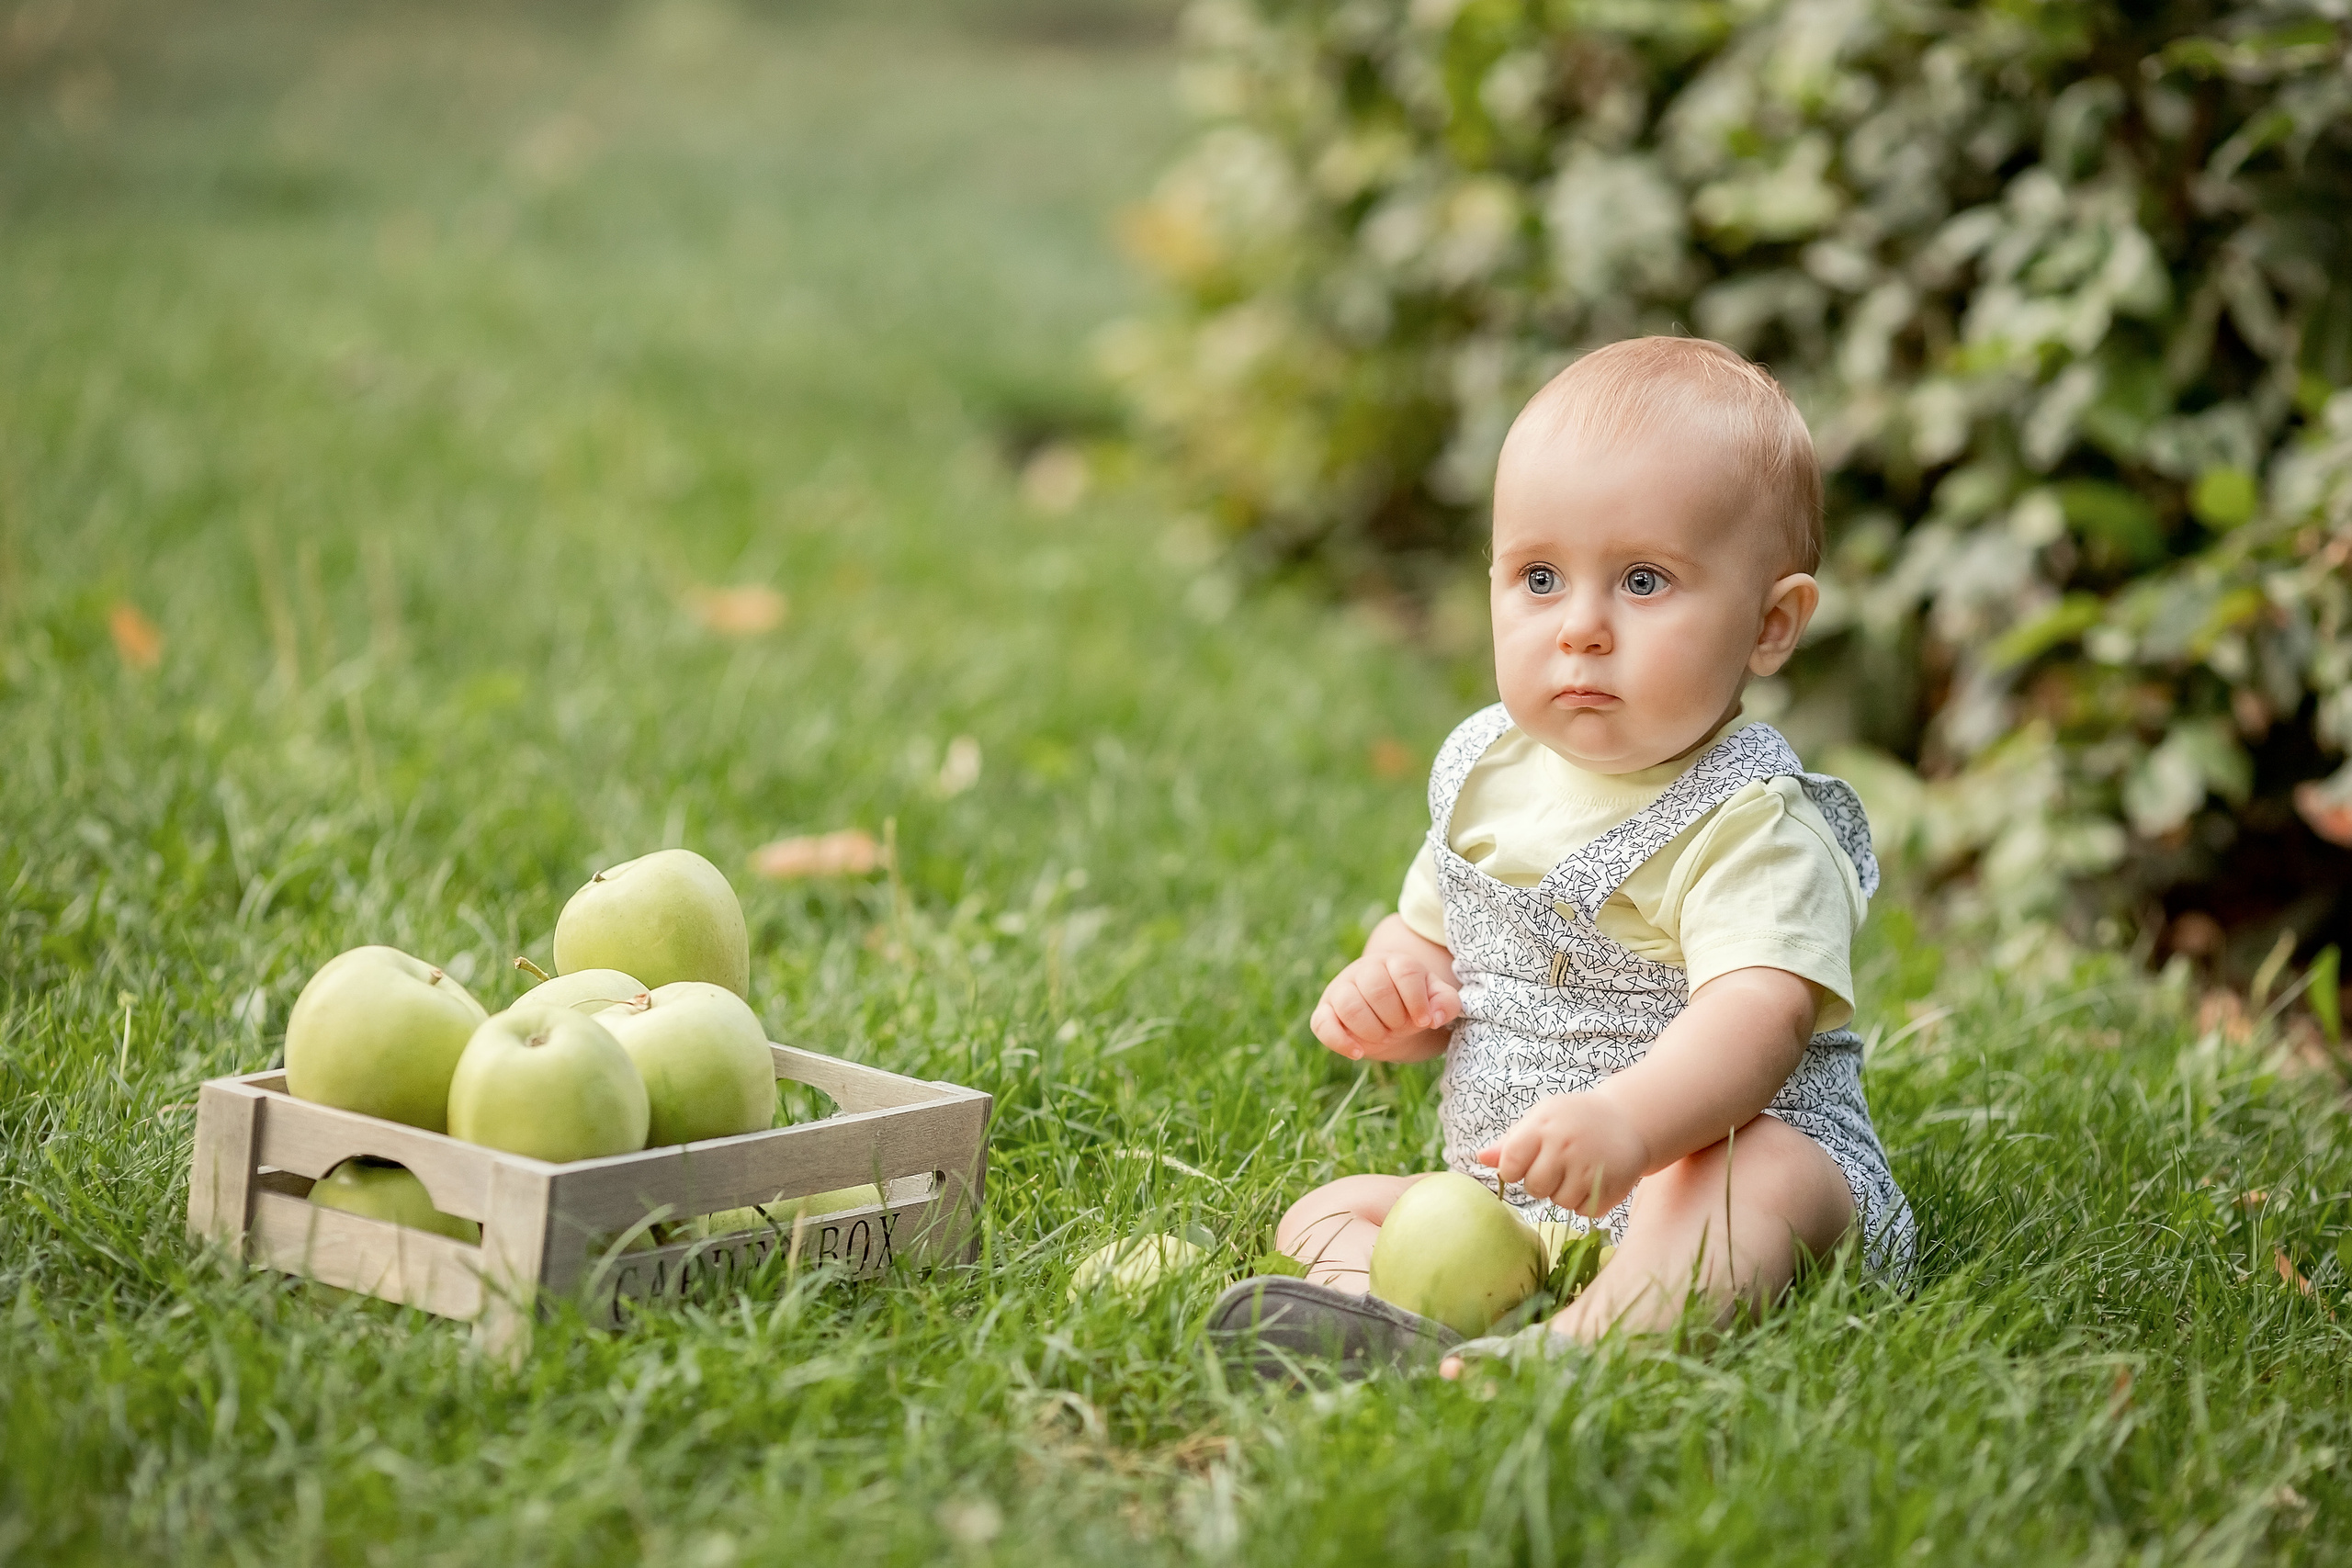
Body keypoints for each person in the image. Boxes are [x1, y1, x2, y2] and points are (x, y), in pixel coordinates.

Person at [1209, 336, 1914, 1375]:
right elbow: (1433, 941)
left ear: (1769, 625)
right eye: (1539, 577)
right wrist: (1394, 983)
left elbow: (1757, 1023)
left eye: (1641, 580)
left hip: (1706, 1158)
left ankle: (1585, 1351)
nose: (1579, 628)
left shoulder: (1754, 821)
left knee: (1751, 1176)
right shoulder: (1486, 771)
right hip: (1521, 1195)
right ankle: (1414, 1322)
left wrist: (1631, 1127)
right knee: (1328, 1209)